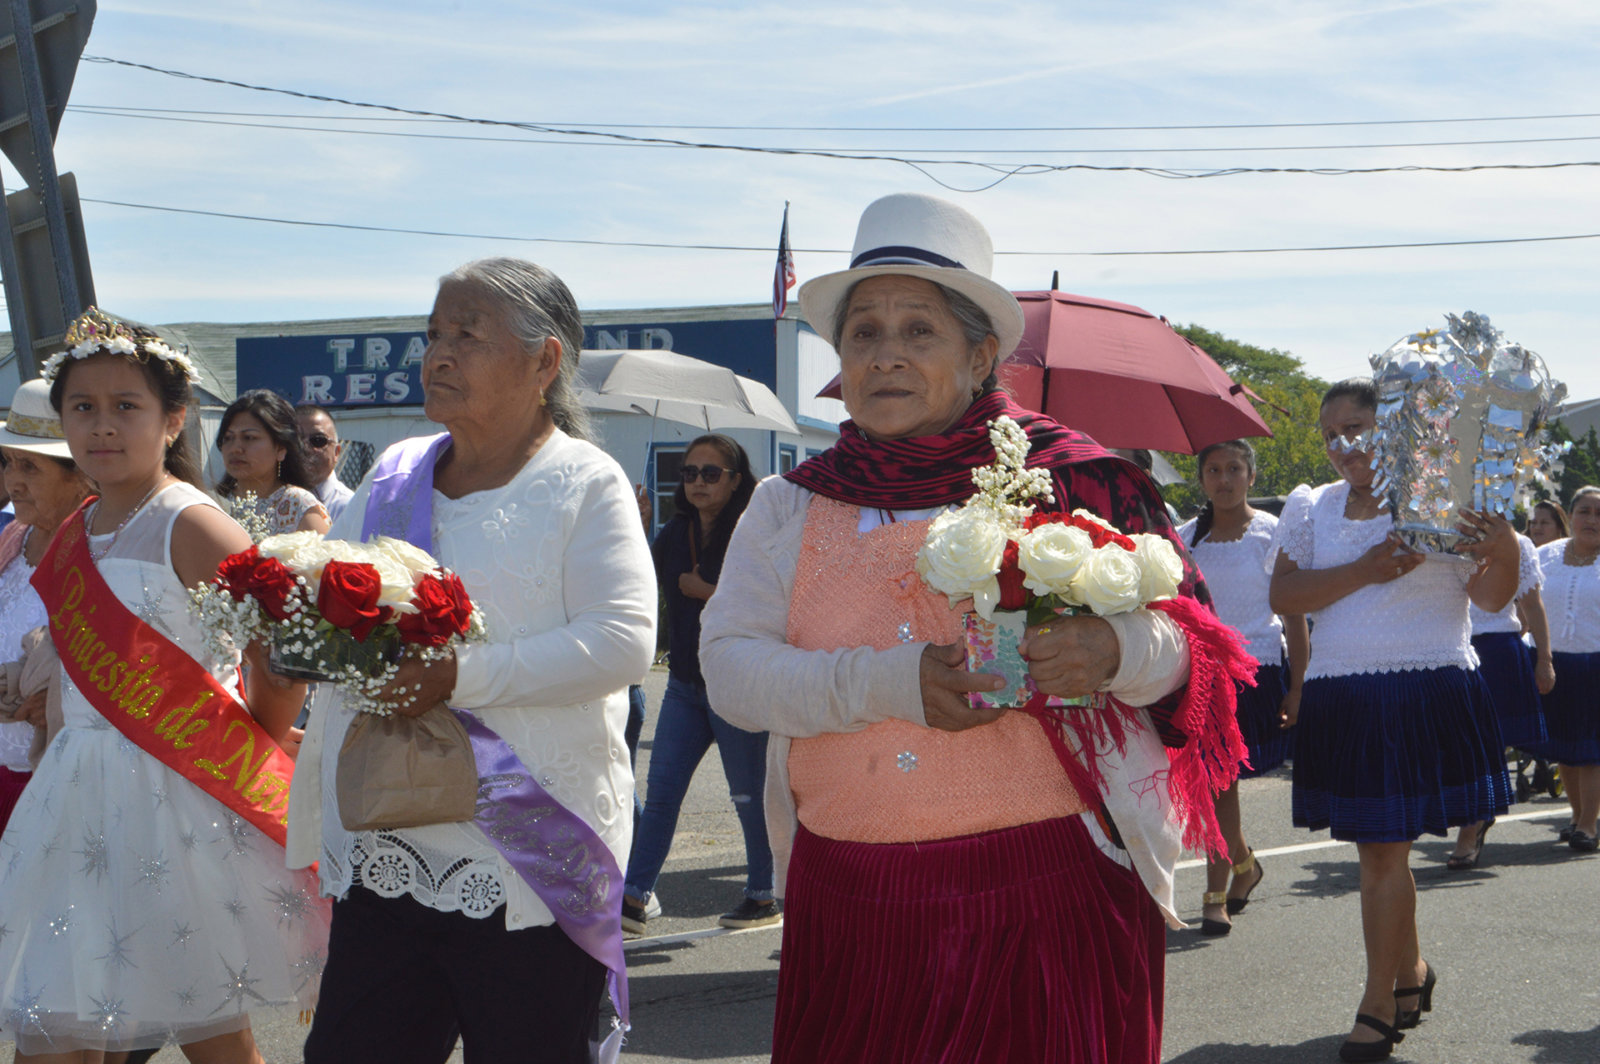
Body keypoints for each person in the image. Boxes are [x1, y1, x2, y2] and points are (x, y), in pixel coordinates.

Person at [699, 193, 1249, 1064]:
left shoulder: (1072, 480)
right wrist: (893, 682)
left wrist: (1114, 651)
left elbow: (1197, 653)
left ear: (981, 352)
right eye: (864, 333)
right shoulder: (787, 504)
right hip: (851, 895)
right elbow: (731, 671)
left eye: (919, 331)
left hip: (1048, 890)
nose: (885, 357)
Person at [288, 258, 656, 1064]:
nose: (438, 355)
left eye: (467, 335)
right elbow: (335, 608)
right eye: (432, 334)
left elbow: (623, 641)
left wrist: (460, 676)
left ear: (544, 361)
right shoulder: (393, 474)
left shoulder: (583, 481)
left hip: (528, 861)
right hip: (389, 833)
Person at [0, 309, 328, 1061]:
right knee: (63, 1020)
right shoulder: (79, 526)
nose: (103, 427)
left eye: (127, 407)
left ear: (173, 419)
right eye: (83, 407)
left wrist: (257, 744)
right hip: (77, 792)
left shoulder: (193, 522)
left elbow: (281, 654)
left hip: (181, 790)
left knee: (209, 1024)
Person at [1271, 378, 1517, 1062]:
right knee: (1383, 848)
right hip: (1346, 695)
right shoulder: (1311, 507)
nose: (1343, 446)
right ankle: (1408, 974)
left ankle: (1380, 999)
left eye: (1358, 429)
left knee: (1385, 850)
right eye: (1331, 436)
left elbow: (1494, 597)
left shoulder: (1442, 495)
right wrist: (1366, 569)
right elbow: (1283, 592)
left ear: (1397, 431)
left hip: (1430, 684)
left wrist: (1507, 549)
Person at [622, 433, 778, 934]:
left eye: (711, 473)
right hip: (686, 686)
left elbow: (769, 605)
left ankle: (762, 893)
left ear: (735, 480)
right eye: (689, 473)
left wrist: (705, 591)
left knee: (748, 795)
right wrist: (637, 529)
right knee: (662, 792)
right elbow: (639, 580)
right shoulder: (676, 531)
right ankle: (634, 895)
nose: (698, 483)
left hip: (736, 686)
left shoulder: (752, 531)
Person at [1177, 439, 1309, 934]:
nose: (1224, 479)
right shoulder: (1185, 538)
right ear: (1202, 479)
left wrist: (1298, 688)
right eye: (1213, 470)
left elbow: (1294, 617)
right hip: (1199, 677)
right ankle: (1239, 870)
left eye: (1234, 468)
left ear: (1251, 476)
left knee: (1219, 784)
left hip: (1254, 675)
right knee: (1214, 783)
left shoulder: (1273, 535)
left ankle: (1223, 887)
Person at [0, 378, 94, 829]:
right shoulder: (13, 538)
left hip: (59, 781)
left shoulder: (101, 548)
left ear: (78, 474)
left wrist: (63, 701)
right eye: (8, 462)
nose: (12, 480)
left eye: (30, 467)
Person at [1448, 529, 1552, 868]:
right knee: (1453, 742)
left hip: (1496, 648)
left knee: (1485, 744)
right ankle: (1468, 814)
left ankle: (1471, 828)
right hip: (1446, 648)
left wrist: (1544, 660)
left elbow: (1532, 604)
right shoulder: (1439, 536)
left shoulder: (1519, 543)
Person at [1532, 486, 1600, 852]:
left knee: (1591, 750)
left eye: (1599, 514)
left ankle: (1589, 825)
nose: (1591, 520)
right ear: (1570, 517)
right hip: (1554, 662)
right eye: (1584, 511)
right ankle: (1576, 816)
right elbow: (1522, 600)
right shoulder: (1545, 556)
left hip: (1596, 663)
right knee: (1566, 749)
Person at [215, 389, 331, 536]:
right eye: (228, 438)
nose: (235, 449)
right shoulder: (214, 505)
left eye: (249, 437)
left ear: (281, 448)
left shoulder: (300, 507)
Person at [296, 403, 356, 521]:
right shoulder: (273, 500)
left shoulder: (349, 507)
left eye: (318, 440)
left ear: (336, 452)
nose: (305, 448)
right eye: (296, 440)